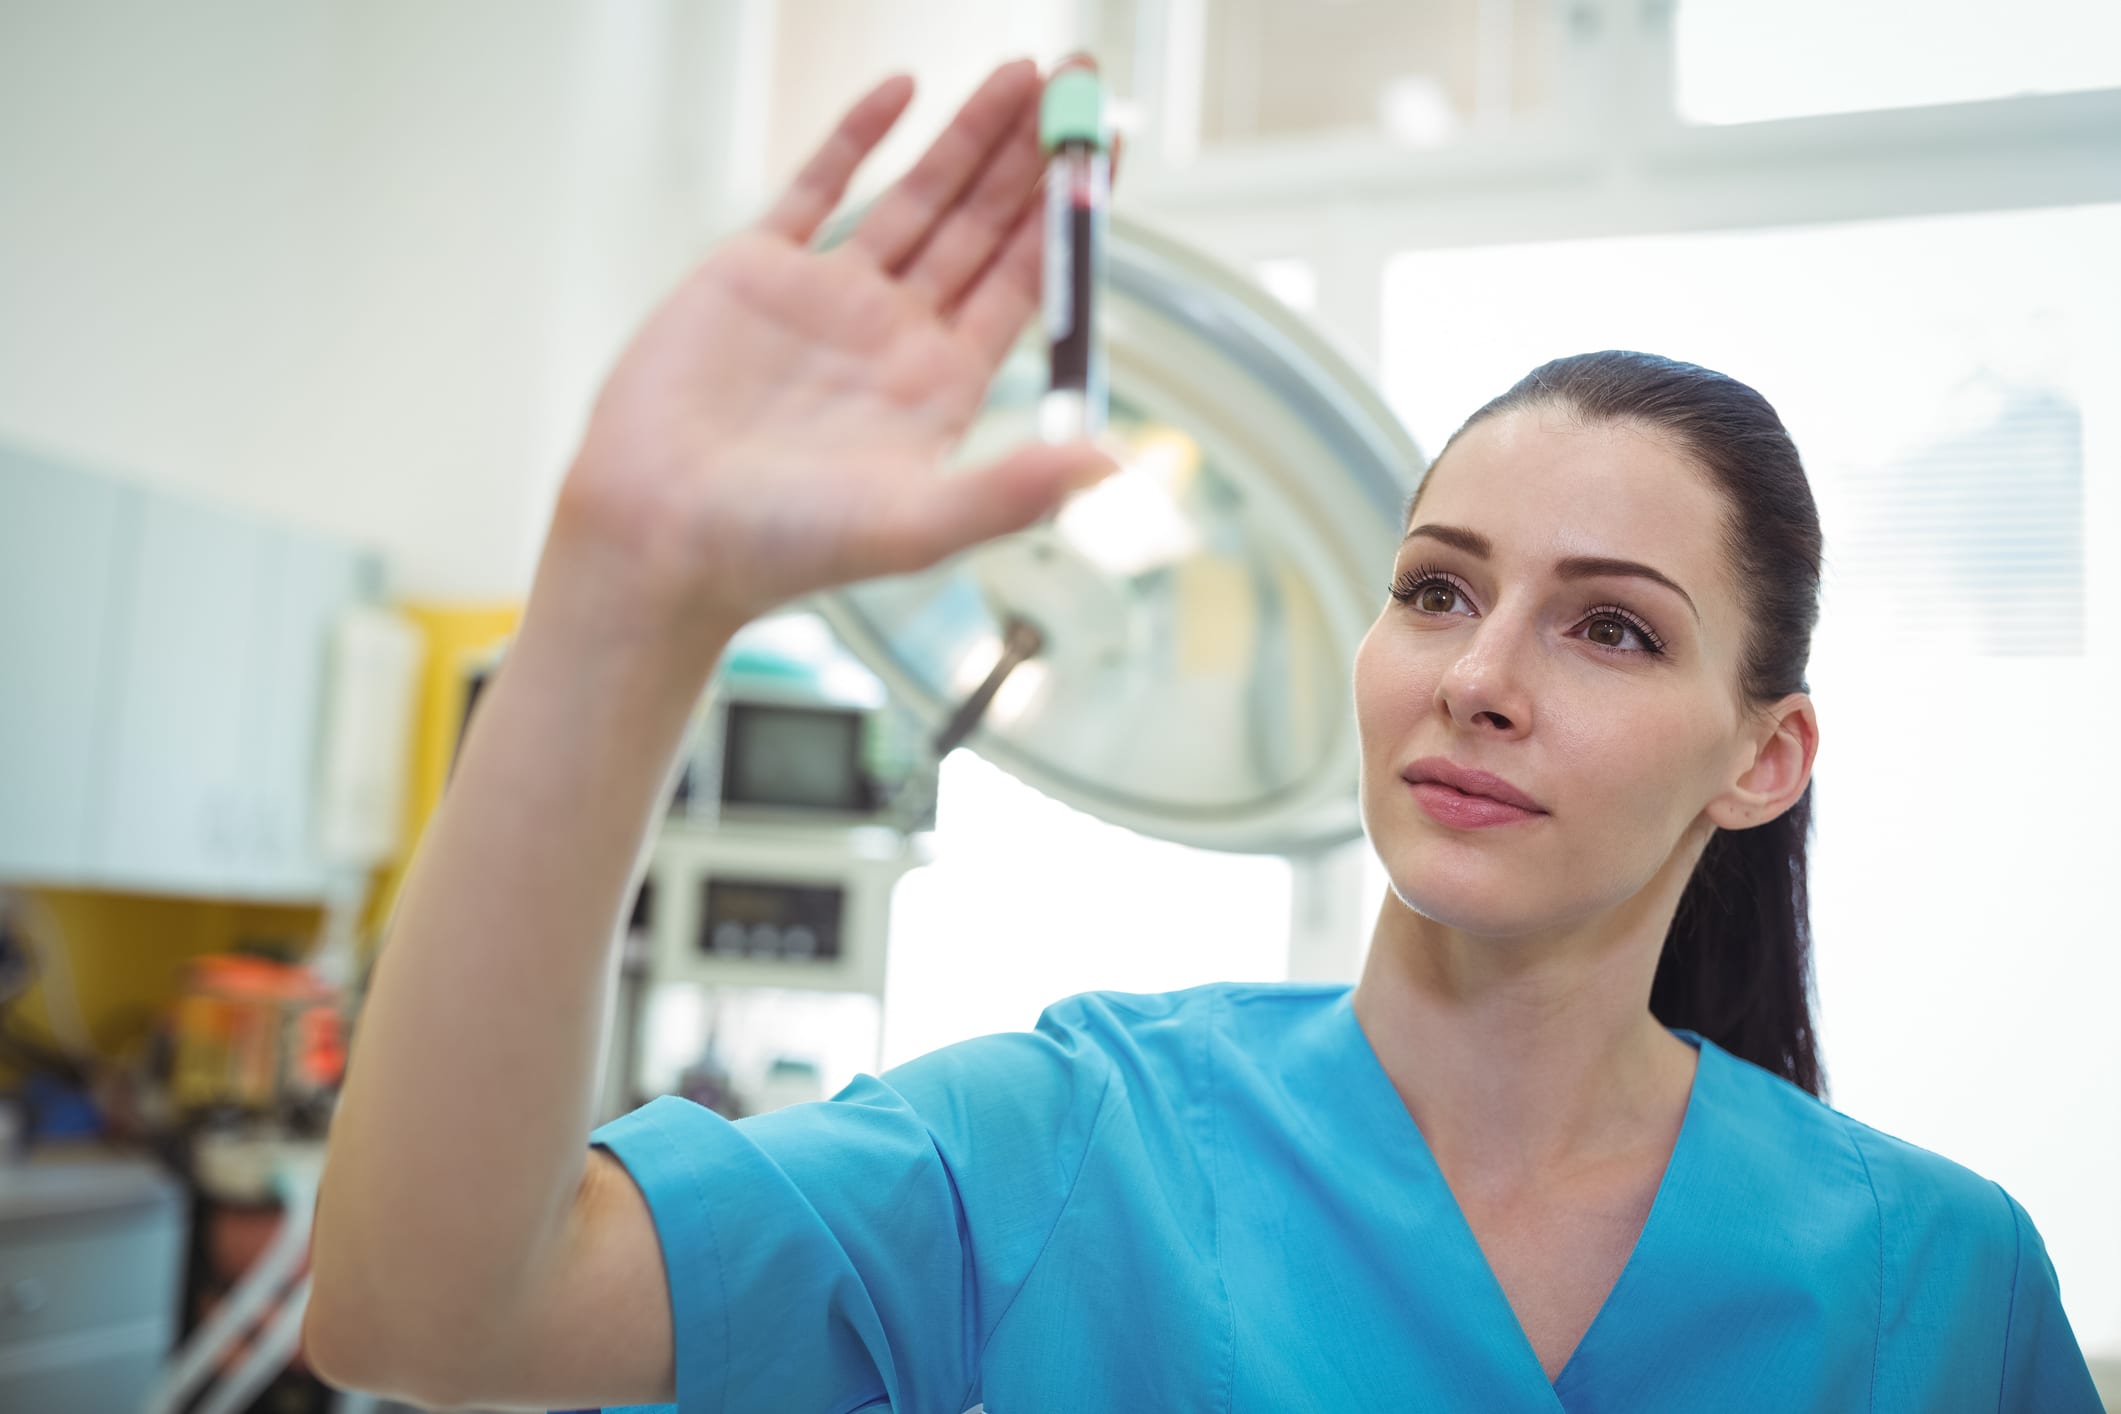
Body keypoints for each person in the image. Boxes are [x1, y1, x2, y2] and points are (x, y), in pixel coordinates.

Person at [300, 57, 2106, 1414]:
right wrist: (629, 590)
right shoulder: (1069, 1144)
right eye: (1433, 588)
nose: (1477, 673)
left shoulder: (1937, 1287)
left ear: (1762, 756)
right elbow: (432, 1311)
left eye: (1613, 626)